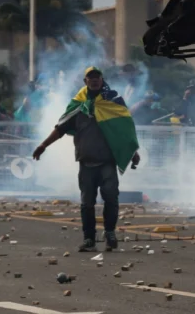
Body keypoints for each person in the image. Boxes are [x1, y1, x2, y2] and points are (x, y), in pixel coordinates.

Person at [32, 66, 141, 252]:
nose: (94, 80)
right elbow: (60, 128)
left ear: (102, 79)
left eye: (97, 77)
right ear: (85, 81)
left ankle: (110, 234)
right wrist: (43, 145)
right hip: (86, 162)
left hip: (107, 161)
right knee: (87, 203)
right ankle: (89, 238)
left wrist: (133, 151)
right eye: (90, 77)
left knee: (111, 199)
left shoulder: (113, 100)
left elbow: (124, 128)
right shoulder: (79, 105)